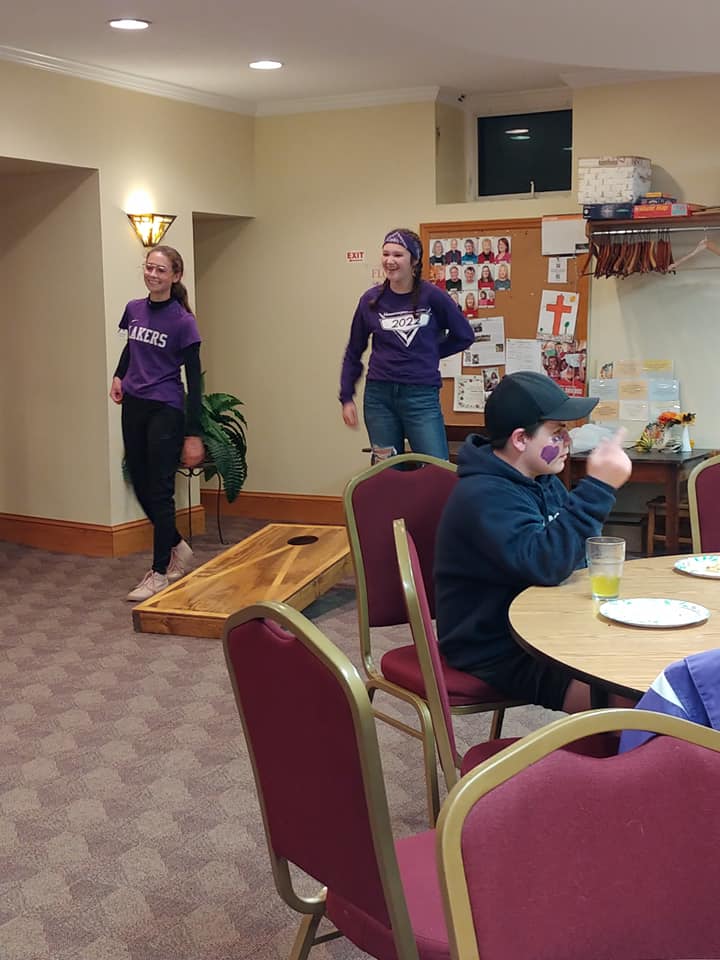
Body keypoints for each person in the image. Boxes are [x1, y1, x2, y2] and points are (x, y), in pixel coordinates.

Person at [434, 370, 632, 712]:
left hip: (541, 624)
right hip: (496, 647)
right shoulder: (483, 495)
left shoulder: (541, 480)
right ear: (520, 439)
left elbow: (573, 555)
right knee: (632, 700)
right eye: (557, 432)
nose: (568, 441)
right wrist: (599, 488)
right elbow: (546, 563)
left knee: (643, 661)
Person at [110, 245, 205, 602]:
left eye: (161, 270)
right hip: (134, 404)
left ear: (175, 276)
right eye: (149, 267)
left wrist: (193, 433)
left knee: (161, 488)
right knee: (139, 480)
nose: (152, 274)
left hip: (166, 408)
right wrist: (119, 375)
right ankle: (176, 543)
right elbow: (131, 347)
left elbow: (195, 379)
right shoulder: (134, 309)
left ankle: (160, 572)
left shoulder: (183, 321)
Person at [339, 228, 474, 461]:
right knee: (385, 469)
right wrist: (347, 396)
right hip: (379, 397)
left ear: (414, 260)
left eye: (398, 255)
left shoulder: (433, 297)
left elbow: (464, 335)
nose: (390, 261)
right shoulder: (370, 300)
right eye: (386, 254)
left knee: (435, 468)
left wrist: (430, 352)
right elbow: (354, 350)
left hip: (421, 396)